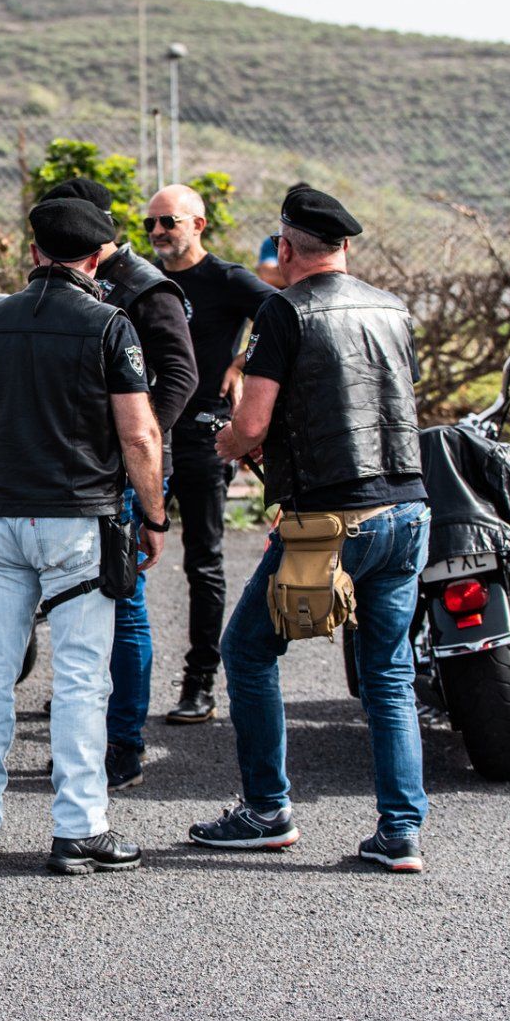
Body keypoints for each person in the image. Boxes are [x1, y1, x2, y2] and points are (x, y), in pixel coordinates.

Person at [193, 184, 431, 873]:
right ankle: (400, 833)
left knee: (248, 650)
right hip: (408, 511)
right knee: (389, 674)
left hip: (329, 524)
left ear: (287, 249)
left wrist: (228, 444)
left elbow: (253, 423)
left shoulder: (282, 310)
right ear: (347, 247)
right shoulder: (393, 308)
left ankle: (267, 810)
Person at [0, 196, 167, 876]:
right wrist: (153, 517)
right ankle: (79, 830)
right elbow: (138, 434)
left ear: (34, 251)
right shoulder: (109, 324)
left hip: (2, 515)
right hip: (79, 520)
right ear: (97, 258)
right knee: (79, 680)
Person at [38, 178, 196, 790]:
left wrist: (134, 439)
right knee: (77, 607)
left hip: (126, 472)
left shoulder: (146, 287)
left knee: (123, 610)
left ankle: (121, 747)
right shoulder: (69, 282)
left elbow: (180, 376)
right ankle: (88, 736)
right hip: (70, 472)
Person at [143, 183, 275, 725]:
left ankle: (199, 684)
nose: (156, 233)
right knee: (117, 555)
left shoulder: (225, 279)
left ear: (198, 224)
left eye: (167, 222)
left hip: (201, 434)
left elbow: (286, 316)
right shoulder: (142, 281)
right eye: (150, 223)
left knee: (203, 561)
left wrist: (243, 363)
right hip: (145, 434)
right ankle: (111, 681)